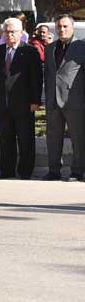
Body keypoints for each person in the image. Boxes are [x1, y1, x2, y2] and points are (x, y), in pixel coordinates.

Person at [0, 18, 41, 180]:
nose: (9, 35)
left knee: (25, 140)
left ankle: (24, 171)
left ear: (21, 33)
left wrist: (35, 101)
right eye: (7, 32)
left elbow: (36, 78)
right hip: (2, 104)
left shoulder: (30, 52)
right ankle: (6, 170)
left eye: (13, 32)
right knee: (5, 139)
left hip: (24, 104)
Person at [43, 15, 85, 181]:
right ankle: (54, 171)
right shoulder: (49, 48)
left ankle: (77, 171)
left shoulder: (81, 47)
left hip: (75, 101)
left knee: (78, 138)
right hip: (53, 100)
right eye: (59, 26)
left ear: (72, 27)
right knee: (53, 139)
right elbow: (48, 73)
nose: (62, 29)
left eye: (65, 26)